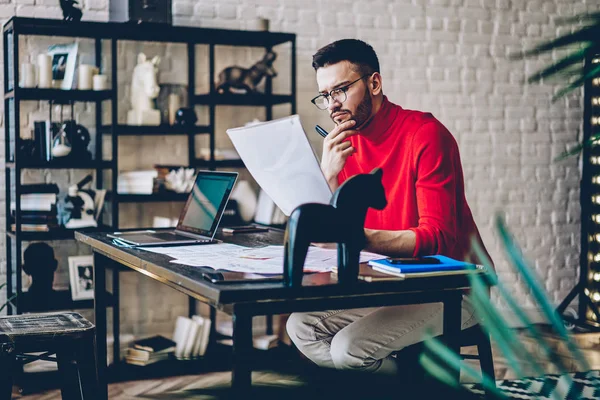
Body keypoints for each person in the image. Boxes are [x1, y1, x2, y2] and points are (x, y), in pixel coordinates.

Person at [286, 39, 492, 375]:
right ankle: (395, 385)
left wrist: (356, 237)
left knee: (348, 349)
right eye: (325, 96)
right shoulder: (345, 145)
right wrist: (328, 175)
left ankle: (409, 387)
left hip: (454, 287)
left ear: (374, 83)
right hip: (391, 283)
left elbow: (436, 237)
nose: (333, 104)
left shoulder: (426, 135)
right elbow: (326, 238)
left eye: (340, 90)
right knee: (300, 327)